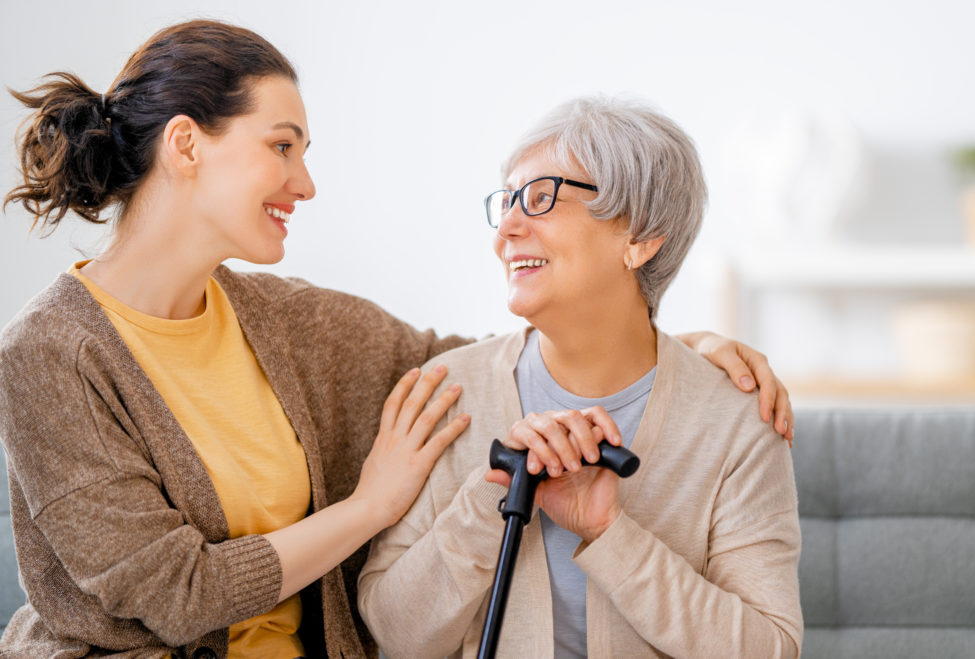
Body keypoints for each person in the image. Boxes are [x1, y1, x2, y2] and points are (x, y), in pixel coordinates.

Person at [0, 20, 792, 659]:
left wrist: (675, 343)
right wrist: (373, 504)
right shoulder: (47, 355)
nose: (305, 182)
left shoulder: (288, 321)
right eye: (283, 146)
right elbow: (176, 596)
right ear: (186, 145)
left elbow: (488, 358)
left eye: (303, 153)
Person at [358, 97, 802, 658]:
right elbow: (392, 637)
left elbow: (771, 651)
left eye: (541, 198)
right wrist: (489, 502)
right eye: (509, 202)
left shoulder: (739, 419)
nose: (508, 229)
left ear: (640, 236)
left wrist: (610, 534)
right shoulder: (447, 395)